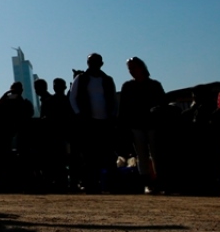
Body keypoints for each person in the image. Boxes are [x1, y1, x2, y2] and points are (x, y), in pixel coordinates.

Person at [67, 53, 117, 193]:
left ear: (101, 63)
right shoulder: (81, 78)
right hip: (88, 121)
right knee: (89, 155)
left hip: (105, 121)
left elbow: (113, 98)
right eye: (90, 61)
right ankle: (91, 184)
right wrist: (78, 114)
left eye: (95, 61)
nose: (92, 64)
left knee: (107, 154)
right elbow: (73, 97)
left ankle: (111, 185)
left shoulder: (107, 79)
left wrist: (113, 115)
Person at [118, 57, 167, 194]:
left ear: (141, 67)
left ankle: (160, 182)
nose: (131, 71)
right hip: (136, 125)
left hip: (153, 124)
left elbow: (163, 104)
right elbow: (123, 109)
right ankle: (147, 183)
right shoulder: (128, 86)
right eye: (129, 69)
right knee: (141, 155)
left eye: (133, 68)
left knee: (157, 155)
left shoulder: (154, 85)